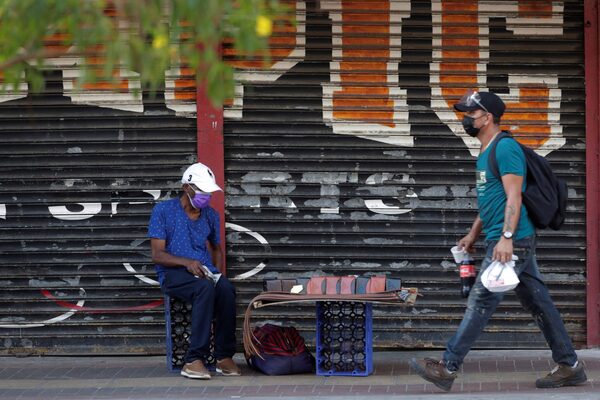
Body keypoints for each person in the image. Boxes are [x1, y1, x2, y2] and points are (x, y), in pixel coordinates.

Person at [409, 91, 587, 391]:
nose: (465, 119)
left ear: (487, 117)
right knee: (539, 303)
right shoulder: (485, 151)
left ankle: (448, 367)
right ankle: (570, 365)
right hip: (504, 238)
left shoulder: (505, 149)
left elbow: (514, 196)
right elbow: (492, 199)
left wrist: (505, 237)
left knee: (481, 301)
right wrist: (473, 233)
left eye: (470, 113)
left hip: (512, 241)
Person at [148, 162, 240, 380]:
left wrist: (216, 272)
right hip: (173, 274)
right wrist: (186, 263)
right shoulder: (163, 211)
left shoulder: (210, 215)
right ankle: (193, 359)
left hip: (203, 271)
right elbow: (157, 255)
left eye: (208, 191)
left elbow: (216, 248)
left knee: (226, 289)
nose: (205, 195)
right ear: (186, 187)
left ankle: (224, 356)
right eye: (201, 190)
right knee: (204, 289)